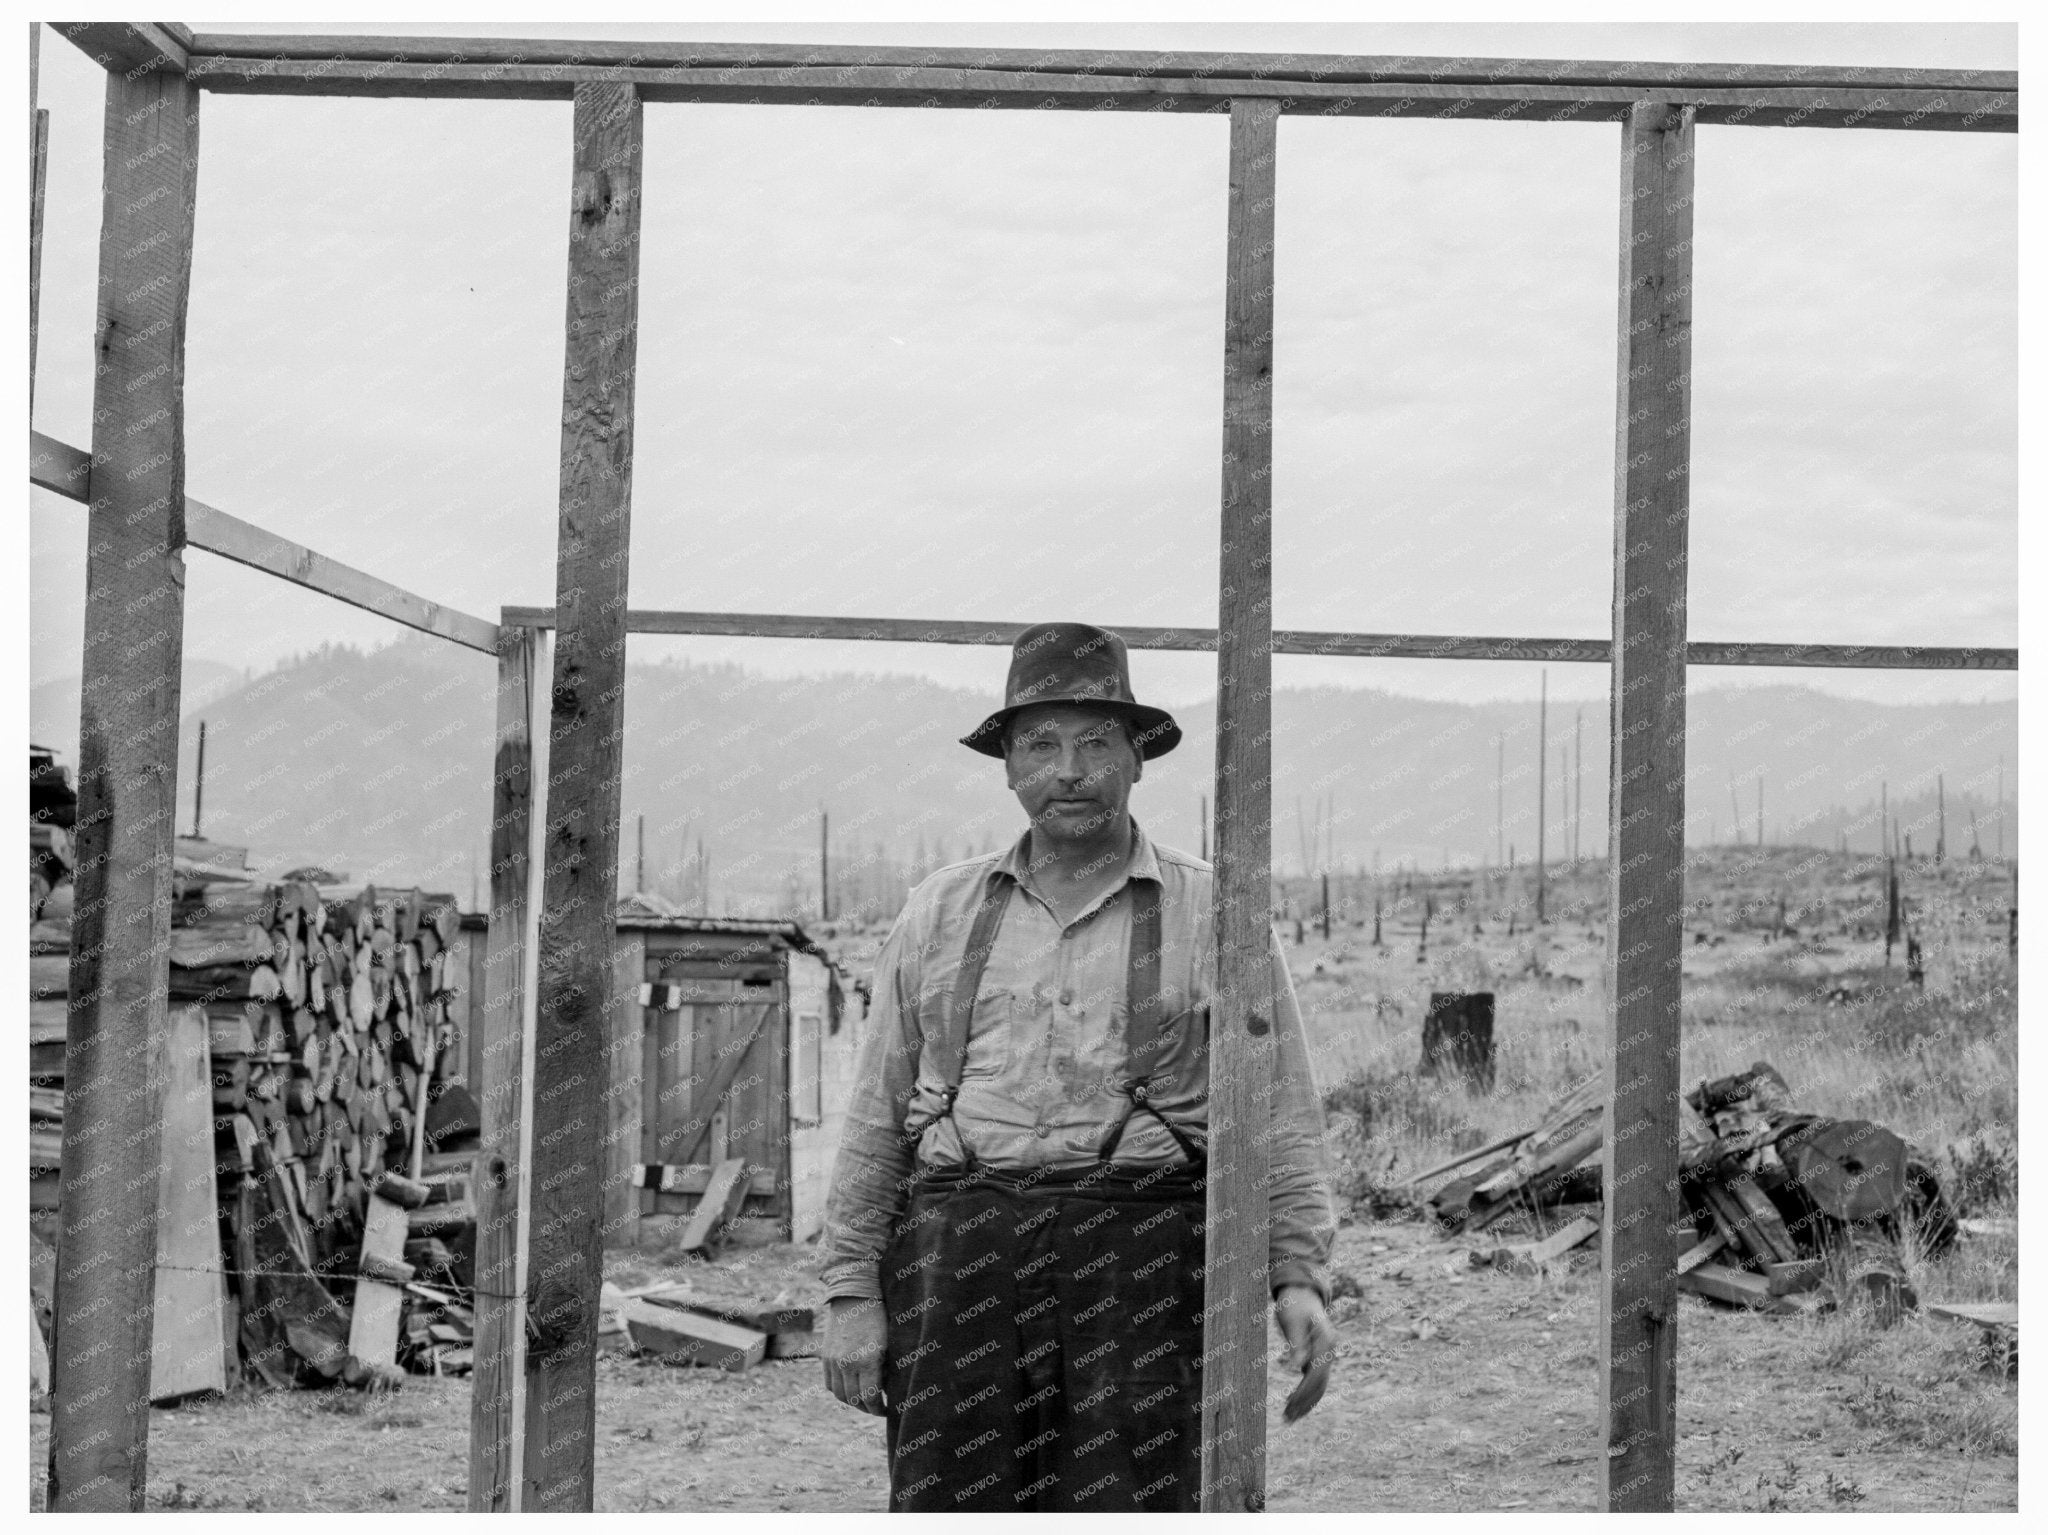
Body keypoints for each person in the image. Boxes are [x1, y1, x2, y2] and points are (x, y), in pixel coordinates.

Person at [819, 620, 1338, 1512]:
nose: (1071, 768)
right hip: (959, 1260)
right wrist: (848, 1292)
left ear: (1138, 759)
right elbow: (876, 1114)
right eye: (1043, 744)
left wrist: (1297, 1275)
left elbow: (1280, 1111)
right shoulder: (938, 911)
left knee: (1136, 1502)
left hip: (1141, 1262)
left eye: (1098, 740)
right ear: (1010, 766)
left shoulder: (1216, 910)